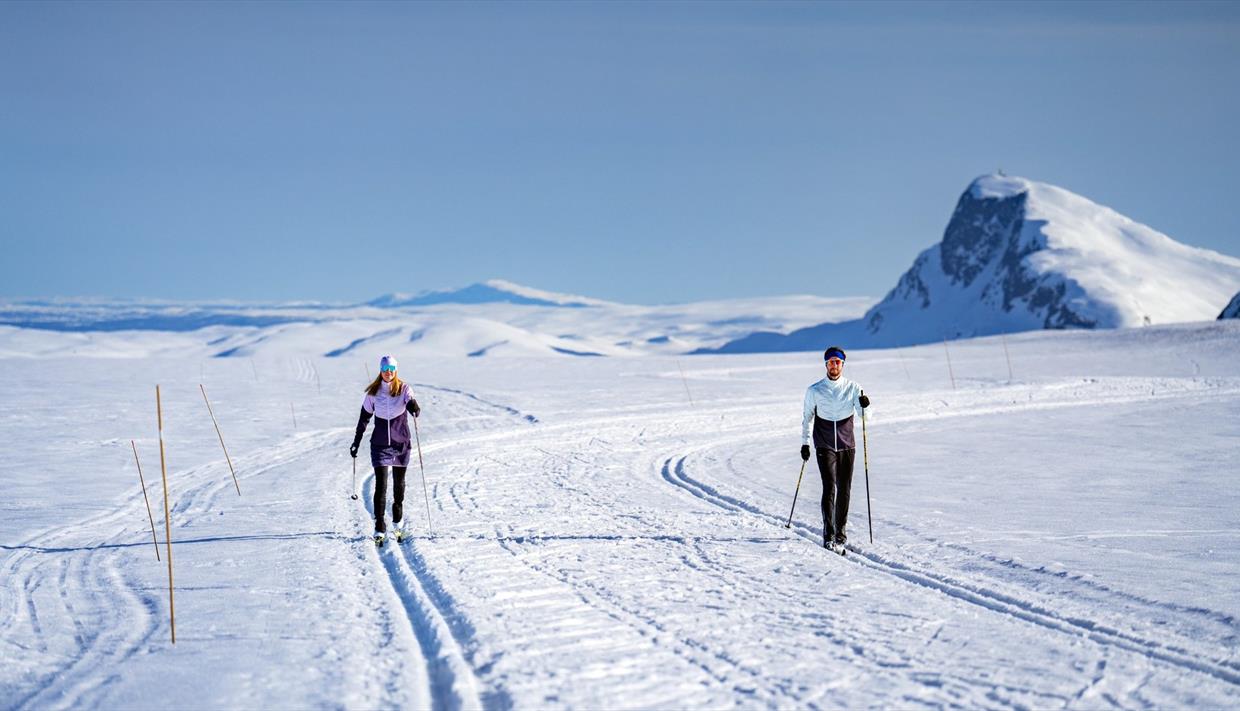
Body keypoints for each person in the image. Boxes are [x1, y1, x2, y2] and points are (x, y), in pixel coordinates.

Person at [800, 346, 870, 553]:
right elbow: (807, 417)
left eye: (837, 362)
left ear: (843, 364)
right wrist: (805, 443)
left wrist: (866, 405)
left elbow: (865, 417)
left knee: (845, 490)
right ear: (825, 364)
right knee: (829, 487)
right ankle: (829, 535)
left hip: (847, 444)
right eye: (830, 362)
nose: (834, 365)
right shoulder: (815, 390)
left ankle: (841, 533)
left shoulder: (854, 388)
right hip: (824, 443)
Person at [351, 355, 421, 546]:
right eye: (385, 368)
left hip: (401, 444)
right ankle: (380, 527)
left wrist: (413, 406)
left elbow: (410, 401)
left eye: (391, 368)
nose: (388, 372)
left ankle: (398, 524)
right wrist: (356, 442)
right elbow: (363, 419)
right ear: (380, 370)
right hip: (380, 445)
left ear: (395, 370)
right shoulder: (373, 394)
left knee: (399, 486)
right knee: (380, 486)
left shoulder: (404, 389)